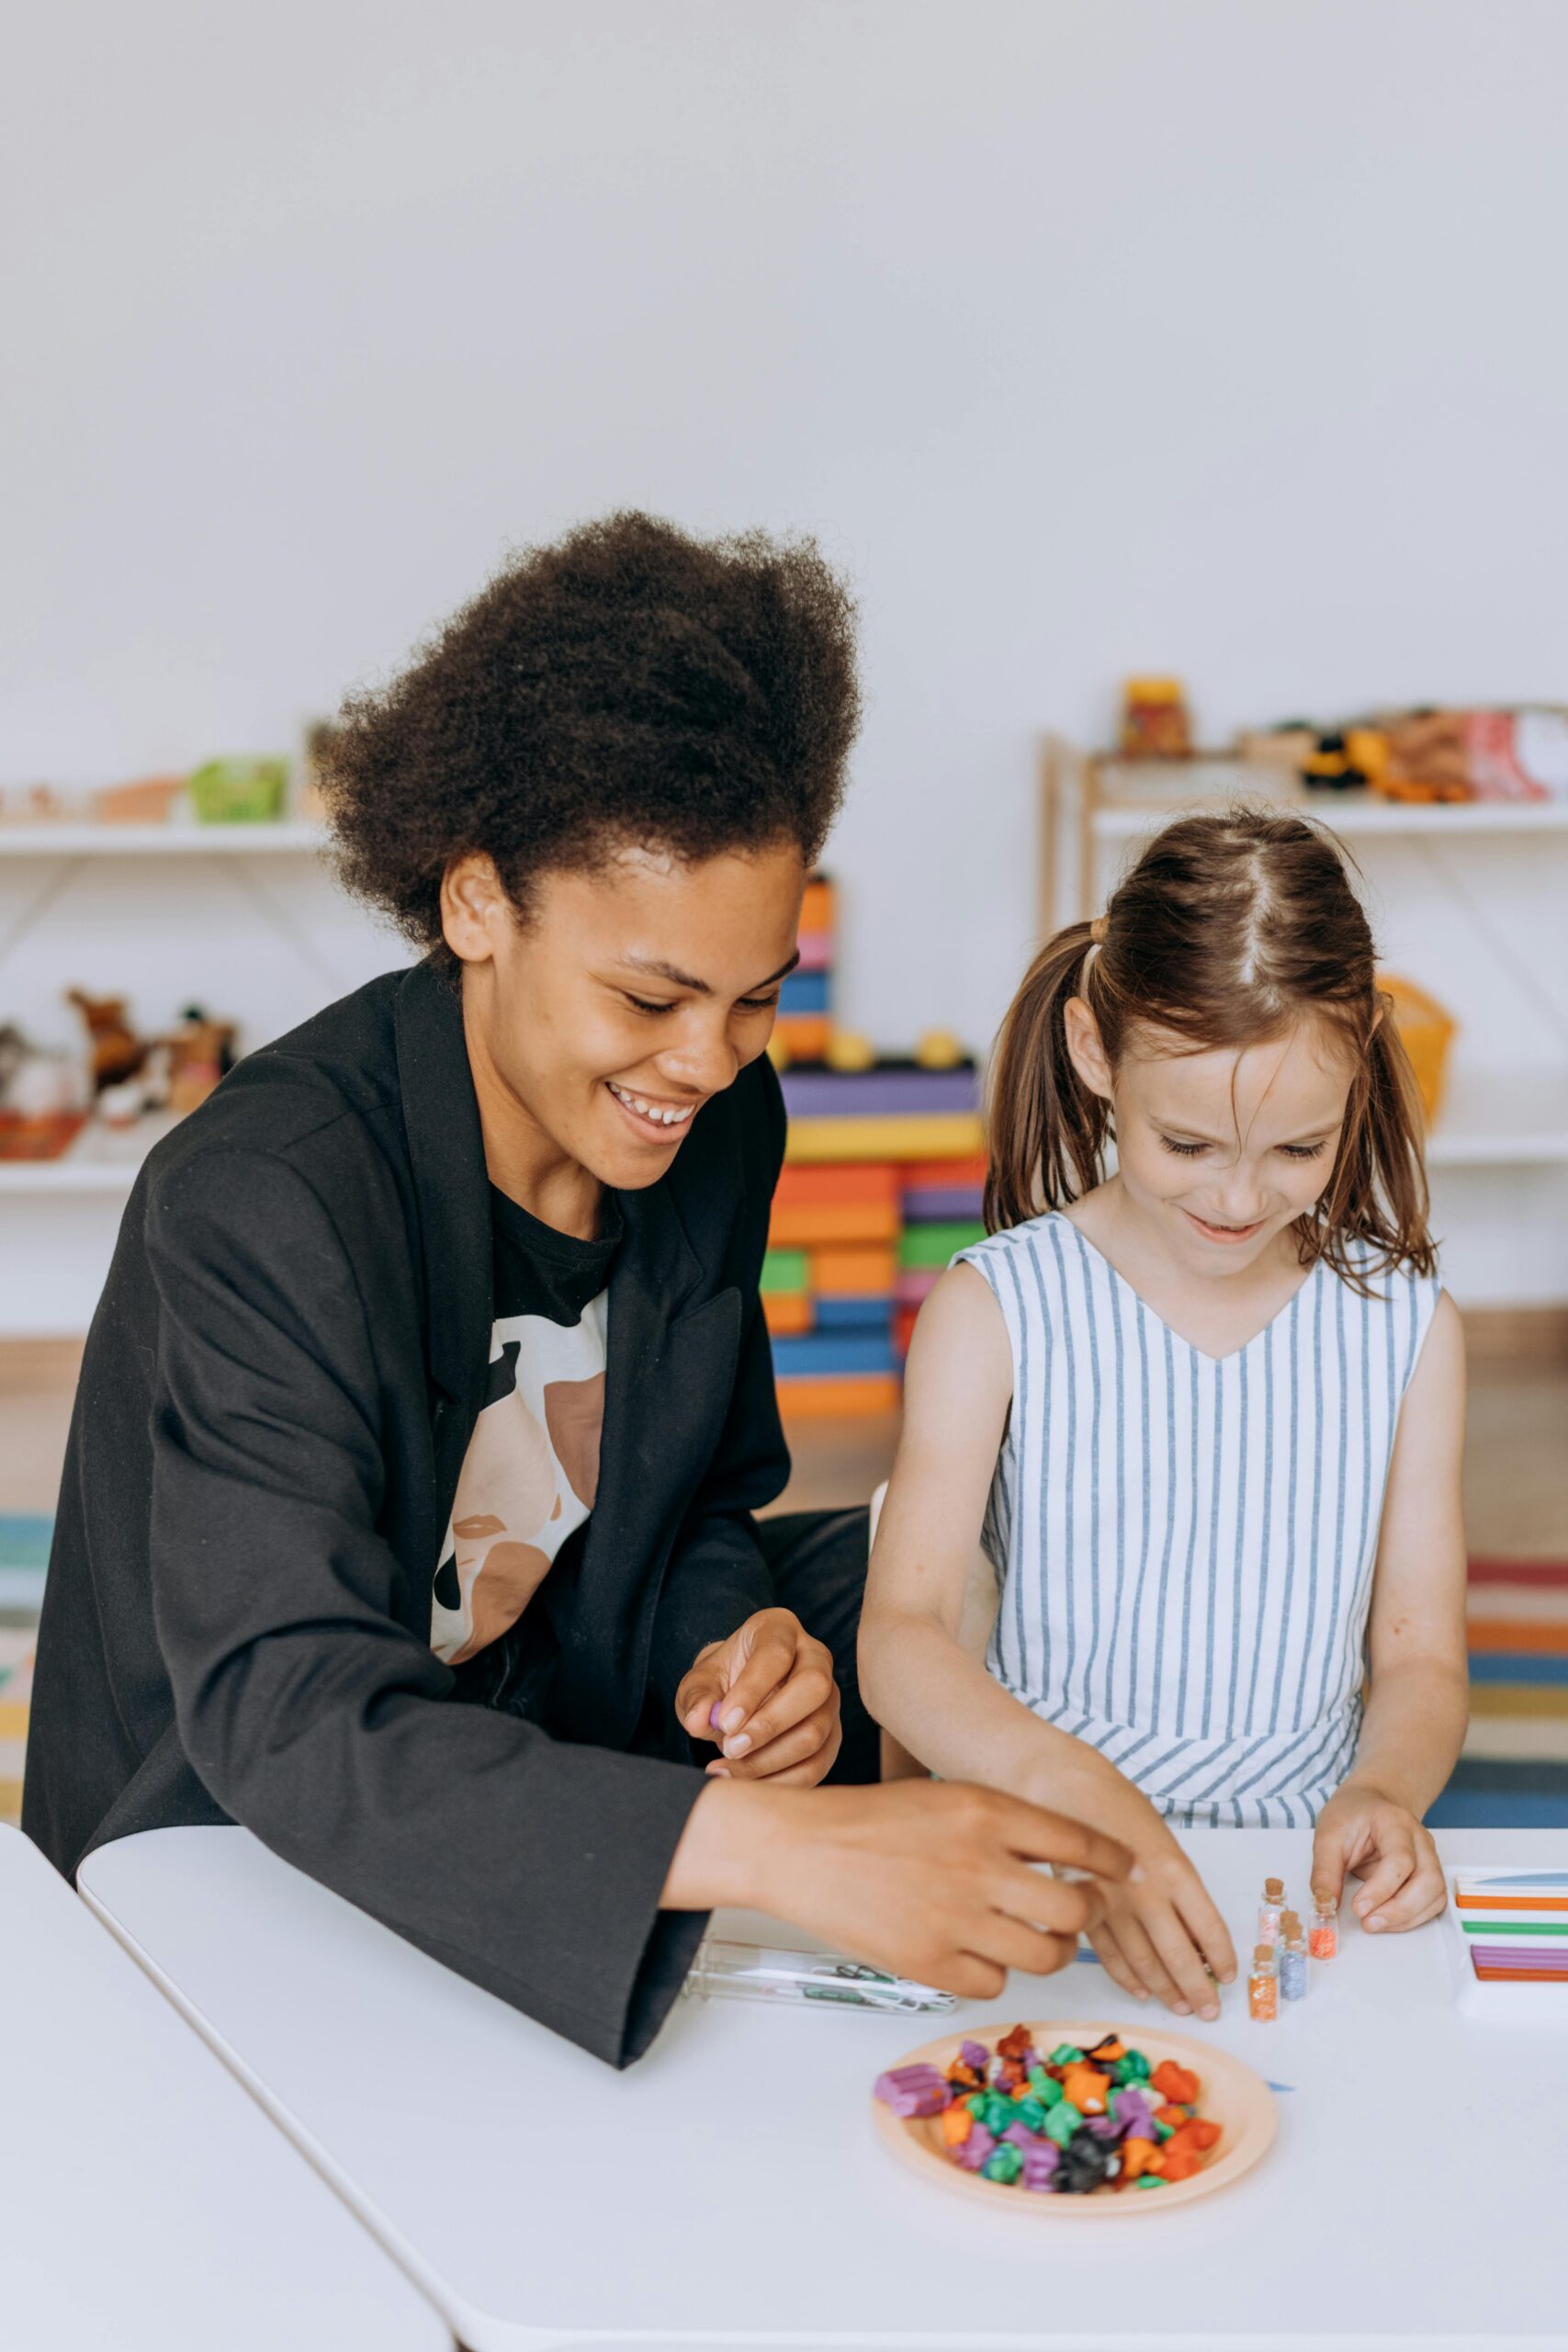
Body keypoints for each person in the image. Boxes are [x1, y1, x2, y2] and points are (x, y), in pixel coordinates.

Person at [25, 513, 1126, 2064]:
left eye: (756, 1000)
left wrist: (736, 1667)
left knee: (909, 1573)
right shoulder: (265, 1195)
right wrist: (767, 1847)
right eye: (649, 996)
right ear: (477, 906)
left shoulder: (721, 1120)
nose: (704, 1063)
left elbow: (695, 1504)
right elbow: (285, 1706)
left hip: (541, 1694)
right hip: (247, 1799)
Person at [860, 806, 1469, 2022]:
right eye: (1187, 1142)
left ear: (1362, 1067)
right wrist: (1084, 1806)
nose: (1241, 1197)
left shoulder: (1408, 1330)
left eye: (1299, 1147)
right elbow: (902, 1637)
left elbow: (1419, 1655)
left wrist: (1387, 1793)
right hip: (1048, 1874)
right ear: (1096, 1054)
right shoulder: (998, 1308)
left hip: (1296, 1891)